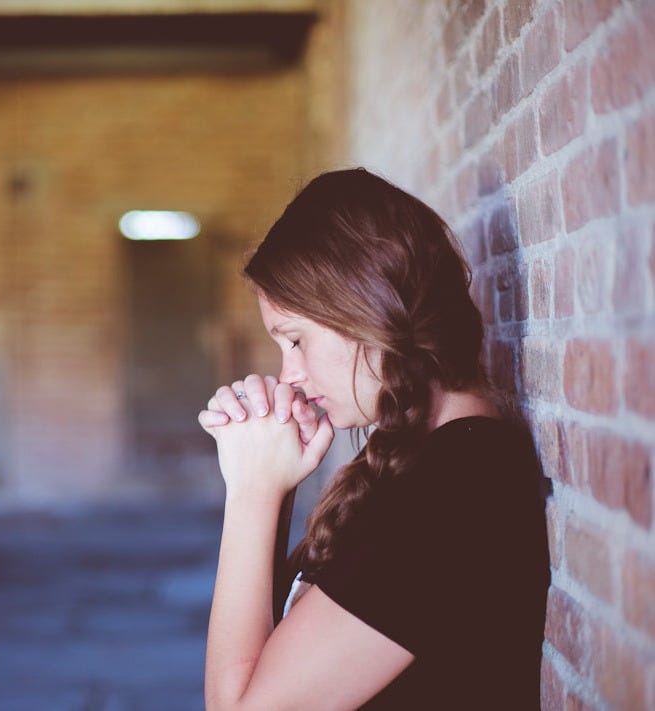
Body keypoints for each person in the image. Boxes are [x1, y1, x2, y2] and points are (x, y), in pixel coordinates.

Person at [198, 168, 550, 710]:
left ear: (367, 312)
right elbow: (272, 654)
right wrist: (279, 481)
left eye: (295, 340)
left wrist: (251, 493)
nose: (289, 374)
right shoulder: (425, 463)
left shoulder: (457, 490)